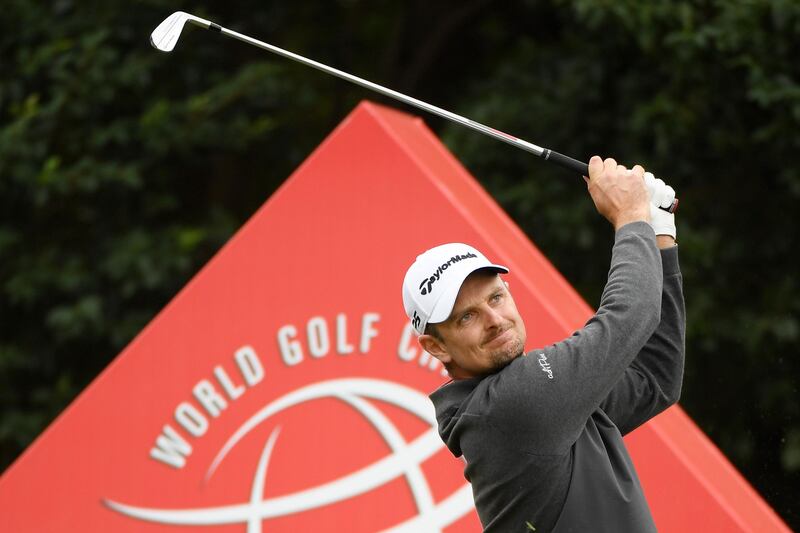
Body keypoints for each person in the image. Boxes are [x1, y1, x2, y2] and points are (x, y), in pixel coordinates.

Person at [401, 156, 685, 532]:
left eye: (496, 298)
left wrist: (659, 230)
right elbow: (630, 316)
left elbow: (654, 378)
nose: (494, 320)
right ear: (436, 347)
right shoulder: (512, 404)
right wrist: (631, 216)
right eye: (466, 317)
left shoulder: (547, 410)